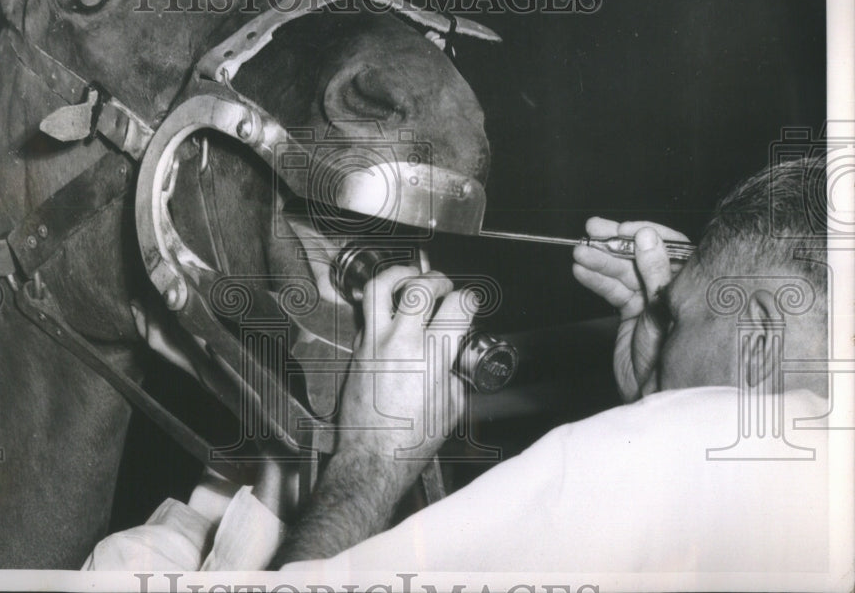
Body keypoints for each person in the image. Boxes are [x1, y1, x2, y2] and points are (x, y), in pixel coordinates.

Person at [85, 156, 835, 575]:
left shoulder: (695, 449)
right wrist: (653, 387)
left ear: (761, 338)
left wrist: (375, 458)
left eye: (681, 313)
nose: (660, 324)